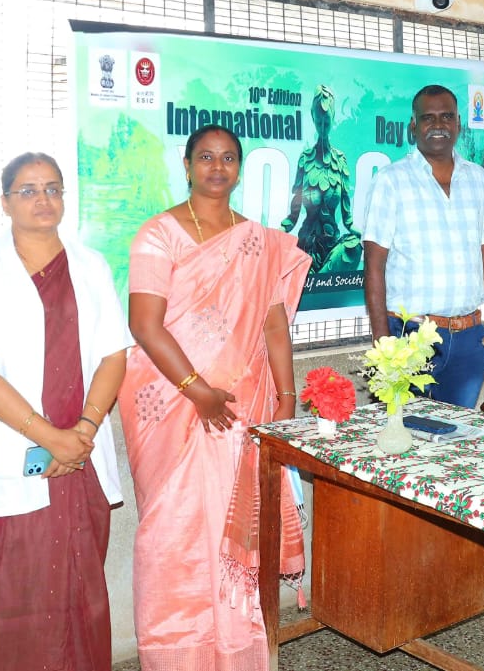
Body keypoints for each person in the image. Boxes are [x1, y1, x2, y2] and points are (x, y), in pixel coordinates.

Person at [120, 125, 309, 671]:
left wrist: (288, 396)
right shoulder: (158, 235)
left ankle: (238, 651)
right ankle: (178, 653)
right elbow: (145, 323)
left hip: (244, 405)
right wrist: (197, 391)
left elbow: (274, 324)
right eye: (205, 157)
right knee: (171, 534)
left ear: (240, 168)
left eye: (228, 158)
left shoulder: (258, 240)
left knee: (237, 530)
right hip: (177, 408)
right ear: (186, 165)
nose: (217, 167)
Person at [0, 152, 132, 671]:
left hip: (80, 453)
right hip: (11, 451)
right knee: (3, 595)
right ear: (5, 202)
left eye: (52, 188)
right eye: (27, 190)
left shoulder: (90, 265)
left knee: (77, 592)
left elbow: (114, 353)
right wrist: (51, 437)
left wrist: (83, 431)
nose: (42, 199)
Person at [362, 84, 484, 409]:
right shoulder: (391, 181)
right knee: (404, 439)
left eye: (446, 117)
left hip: (468, 339)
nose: (438, 125)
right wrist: (385, 345)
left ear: (458, 124)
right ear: (413, 126)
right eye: (428, 118)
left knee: (455, 440)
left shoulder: (478, 179)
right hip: (409, 337)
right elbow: (374, 266)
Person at [280, 84, 362, 273]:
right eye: (319, 122)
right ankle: (319, 279)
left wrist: (364, 236)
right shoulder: (305, 159)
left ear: (333, 118)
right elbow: (293, 216)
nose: (323, 127)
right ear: (313, 119)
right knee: (284, 253)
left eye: (327, 122)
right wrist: (278, 234)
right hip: (305, 246)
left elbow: (347, 219)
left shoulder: (340, 161)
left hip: (333, 247)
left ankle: (317, 279)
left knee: (353, 247)